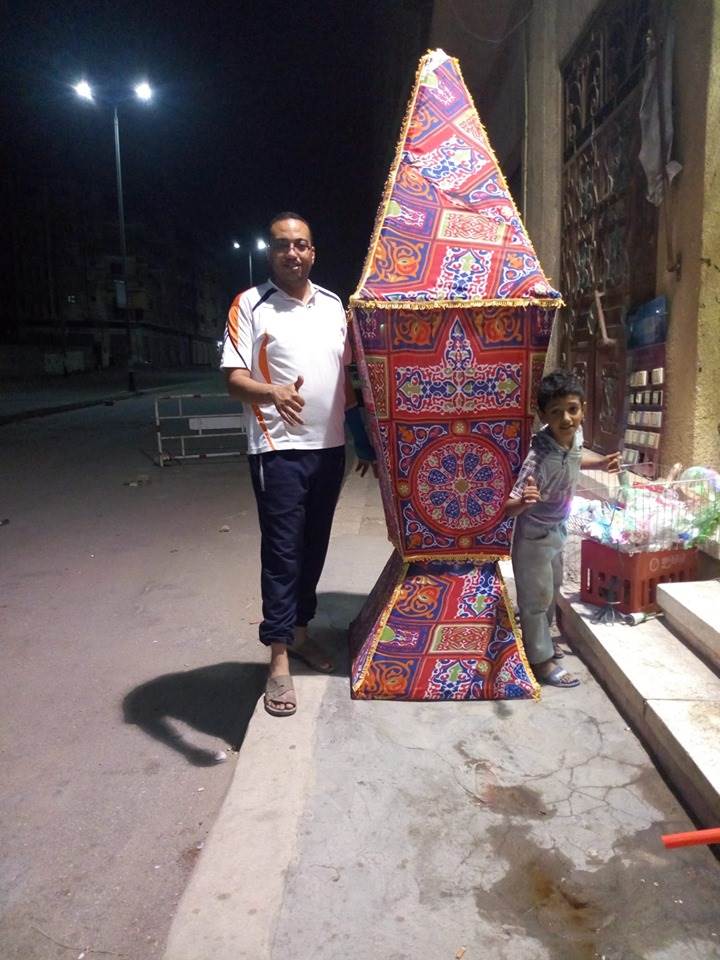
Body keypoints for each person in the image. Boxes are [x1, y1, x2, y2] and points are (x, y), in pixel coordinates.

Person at [221, 212, 376, 717]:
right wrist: (272, 393)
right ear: (271, 252)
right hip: (277, 450)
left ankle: (302, 633)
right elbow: (233, 379)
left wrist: (363, 443)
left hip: (329, 450)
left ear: (313, 252)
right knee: (283, 553)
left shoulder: (334, 306)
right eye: (283, 244)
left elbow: (348, 380)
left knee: (313, 547)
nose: (293, 252)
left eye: (301, 244)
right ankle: (279, 657)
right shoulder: (250, 304)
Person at [504, 370, 620, 687]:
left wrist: (600, 464)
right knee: (536, 599)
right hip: (533, 538)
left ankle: (540, 639)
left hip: (558, 529)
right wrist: (524, 502)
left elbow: (574, 458)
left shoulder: (575, 437)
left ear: (583, 408)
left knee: (552, 588)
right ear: (543, 416)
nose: (566, 419)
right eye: (556, 412)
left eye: (572, 409)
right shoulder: (537, 457)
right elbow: (507, 507)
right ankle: (540, 661)